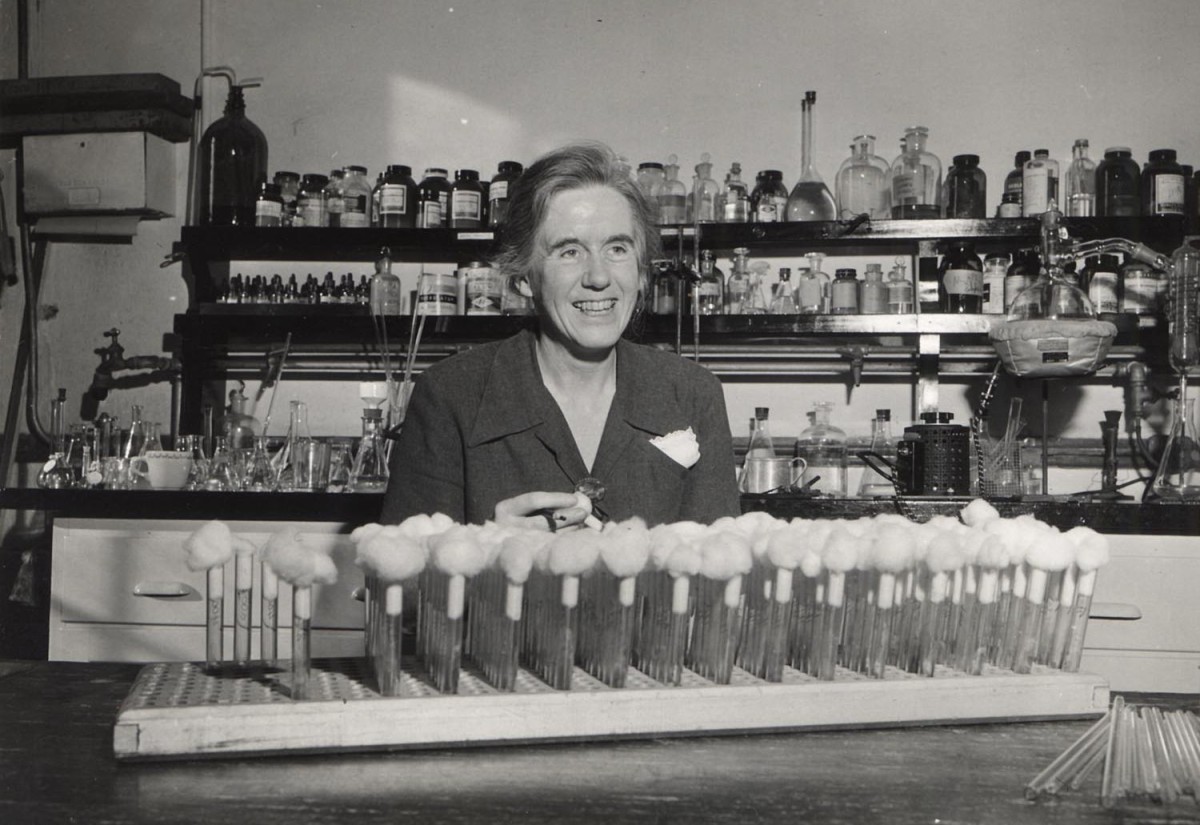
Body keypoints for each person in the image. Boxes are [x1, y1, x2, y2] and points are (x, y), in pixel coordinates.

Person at [380, 141, 740, 531]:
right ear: (523, 278)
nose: (599, 277)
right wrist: (488, 553)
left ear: (641, 272)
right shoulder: (451, 396)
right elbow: (401, 581)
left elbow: (719, 579)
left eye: (617, 248)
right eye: (569, 252)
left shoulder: (691, 393)